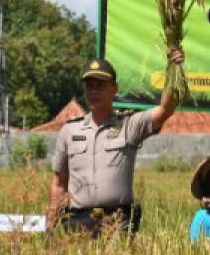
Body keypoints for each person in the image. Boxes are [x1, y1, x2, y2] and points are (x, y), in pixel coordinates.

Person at [47, 50, 183, 237]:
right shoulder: (69, 131)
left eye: (100, 85)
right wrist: (50, 223)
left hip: (117, 222)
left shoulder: (129, 125)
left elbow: (166, 109)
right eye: (89, 86)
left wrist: (174, 69)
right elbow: (59, 183)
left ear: (115, 89)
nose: (94, 91)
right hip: (78, 224)